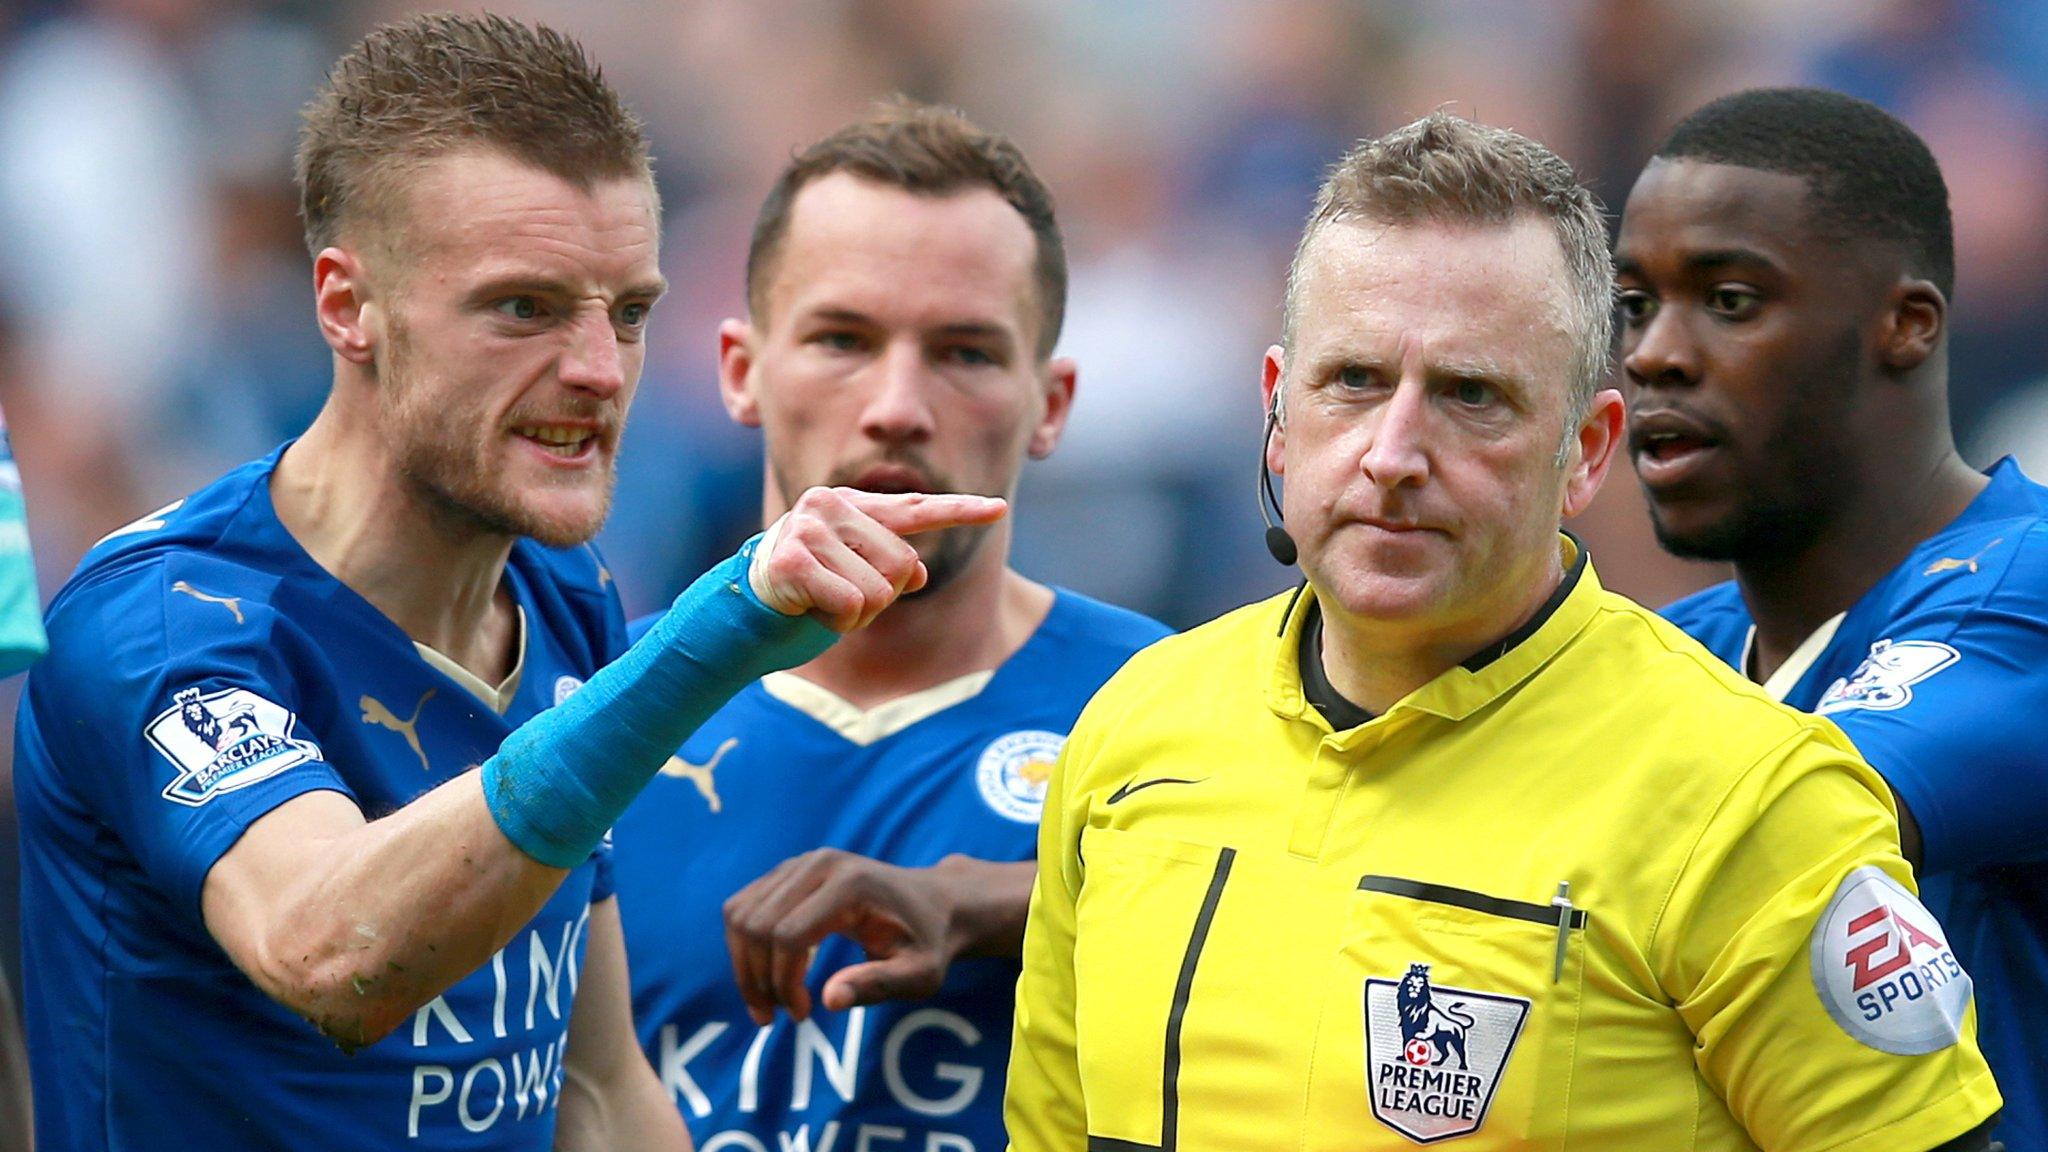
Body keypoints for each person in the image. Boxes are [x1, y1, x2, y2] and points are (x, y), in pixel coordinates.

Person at [14, 15, 1000, 1150]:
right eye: (522, 309)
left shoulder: (559, 592)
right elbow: (327, 953)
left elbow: (593, 1087)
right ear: (347, 307)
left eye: (627, 312)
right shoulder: (164, 623)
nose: (595, 373)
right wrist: (708, 640)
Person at [1005, 111, 2002, 1151]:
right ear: (1274, 407)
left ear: (1585, 450)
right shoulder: (1131, 730)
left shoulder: (1750, 801)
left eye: (1468, 395)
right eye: (1351, 381)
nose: (1392, 452)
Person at [608, 100, 1169, 1152]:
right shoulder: (595, 704)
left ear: (1051, 404)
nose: (897, 405)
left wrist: (994, 901)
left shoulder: (1163, 707)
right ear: (738, 370)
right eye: (840, 340)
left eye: (962, 352)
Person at [1623, 88, 2048, 1152]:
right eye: (1633, 304)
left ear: (1904, 325)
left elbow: (1780, 828)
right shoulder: (1682, 650)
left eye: (1726, 299)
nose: (1652, 355)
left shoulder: (2025, 592)